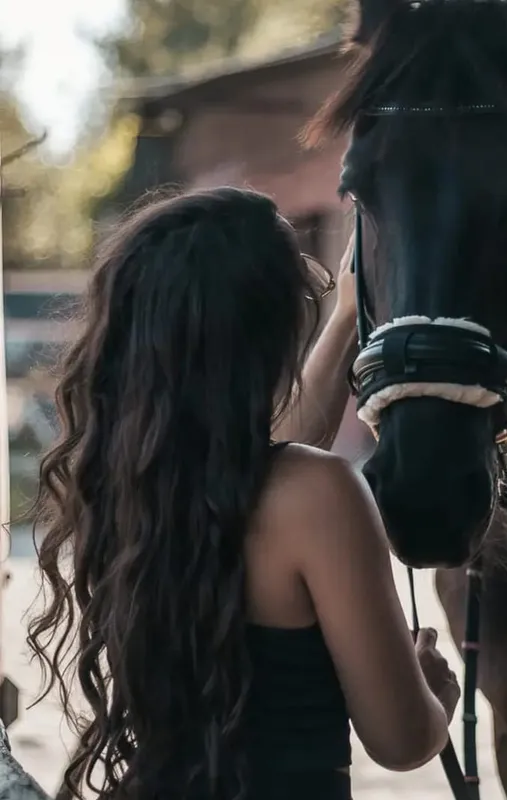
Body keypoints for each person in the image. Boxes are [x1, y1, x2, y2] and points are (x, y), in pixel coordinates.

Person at [27, 186, 461, 800]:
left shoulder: (131, 484)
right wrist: (434, 697)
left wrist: (345, 316)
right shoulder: (320, 495)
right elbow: (400, 741)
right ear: (270, 335)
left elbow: (268, 470)